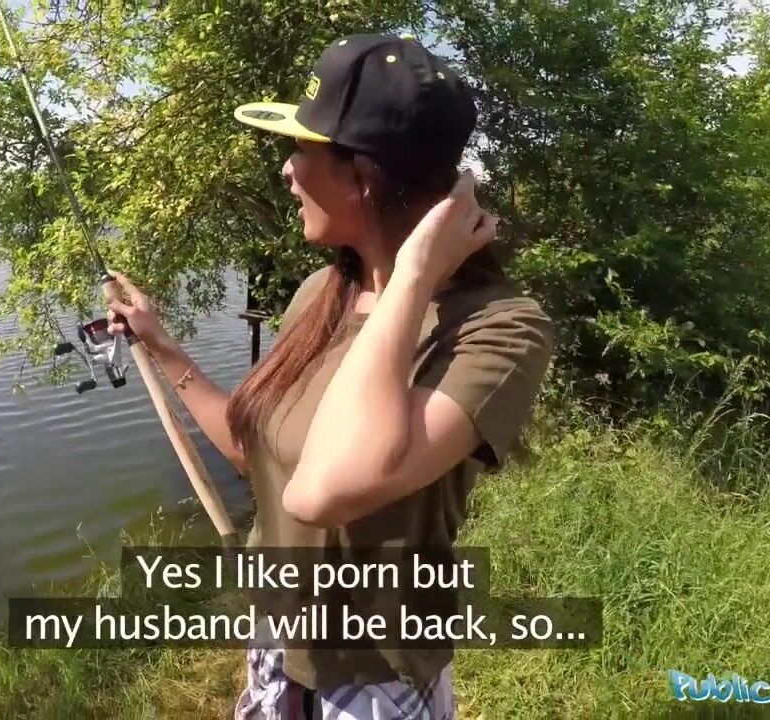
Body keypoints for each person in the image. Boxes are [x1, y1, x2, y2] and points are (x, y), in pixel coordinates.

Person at [108, 33, 554, 720]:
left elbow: (322, 491)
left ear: (361, 175)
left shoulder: (498, 329)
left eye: (301, 150)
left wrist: (412, 274)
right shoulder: (319, 294)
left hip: (373, 680)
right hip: (276, 645)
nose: (287, 172)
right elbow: (261, 456)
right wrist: (163, 346)